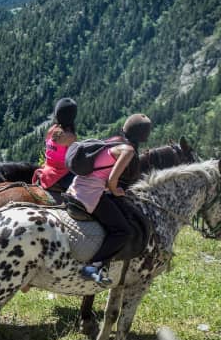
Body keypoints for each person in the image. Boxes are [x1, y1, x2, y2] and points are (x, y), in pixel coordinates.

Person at [67, 113, 152, 283]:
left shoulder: (114, 141)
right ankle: (93, 266)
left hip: (75, 188)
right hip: (90, 195)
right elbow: (112, 179)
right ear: (143, 137)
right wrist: (116, 190)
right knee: (123, 231)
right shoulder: (128, 151)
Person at [32, 98, 78, 191]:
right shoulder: (70, 137)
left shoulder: (52, 129)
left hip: (46, 169)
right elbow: (74, 161)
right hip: (60, 174)